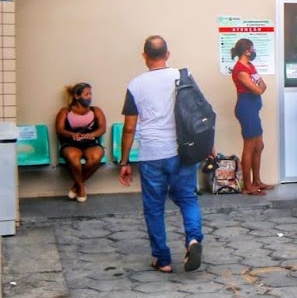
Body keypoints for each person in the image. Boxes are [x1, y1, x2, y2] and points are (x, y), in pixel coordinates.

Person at [118, 36, 204, 273]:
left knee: (154, 207)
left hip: (151, 154)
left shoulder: (135, 85)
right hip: (182, 151)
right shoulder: (182, 77)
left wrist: (125, 161)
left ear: (144, 56)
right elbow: (199, 113)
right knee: (187, 199)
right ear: (168, 54)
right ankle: (193, 240)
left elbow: (129, 127)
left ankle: (163, 259)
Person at [230, 37, 272, 195]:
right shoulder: (240, 69)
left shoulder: (250, 66)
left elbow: (263, 85)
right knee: (249, 146)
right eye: (252, 49)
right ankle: (248, 185)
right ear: (246, 51)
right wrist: (259, 86)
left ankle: (257, 181)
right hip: (246, 108)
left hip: (253, 108)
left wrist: (259, 85)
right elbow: (258, 89)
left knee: (259, 145)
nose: (253, 51)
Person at [55, 82, 106, 202]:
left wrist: (92, 134)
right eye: (86, 94)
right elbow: (59, 129)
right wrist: (72, 134)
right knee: (73, 158)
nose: (90, 97)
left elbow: (102, 128)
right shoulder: (65, 111)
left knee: (95, 157)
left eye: (90, 94)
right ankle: (81, 188)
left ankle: (76, 186)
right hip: (71, 142)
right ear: (77, 96)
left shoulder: (96, 110)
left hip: (90, 142)